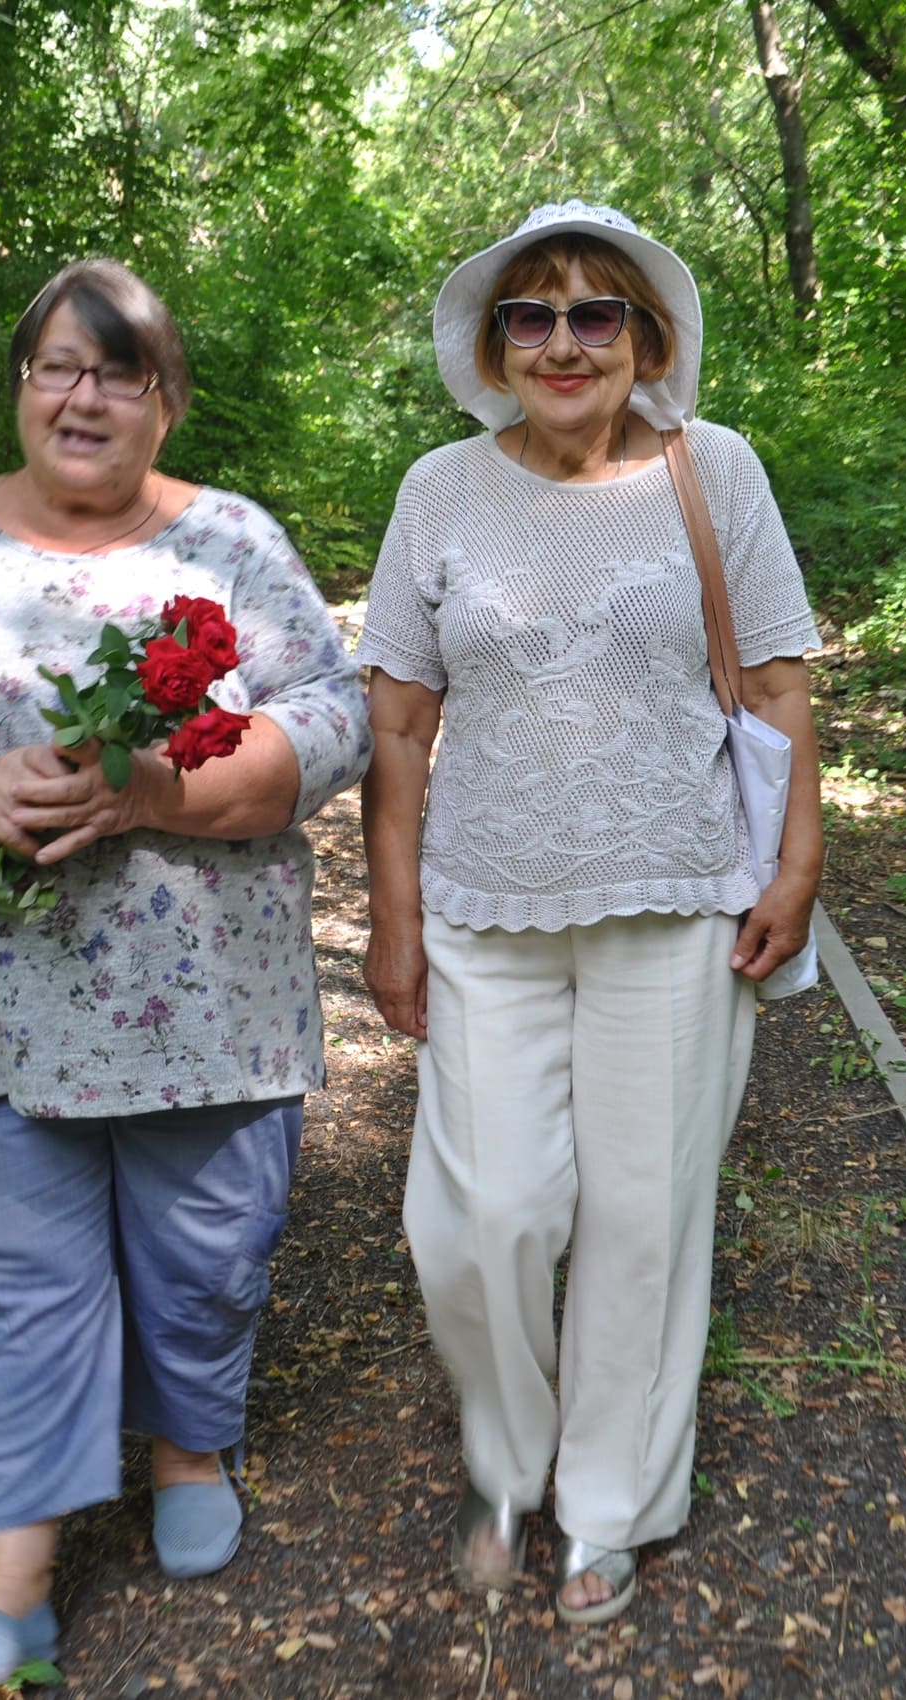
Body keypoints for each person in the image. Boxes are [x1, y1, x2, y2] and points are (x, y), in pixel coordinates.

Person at [0, 259, 370, 1690]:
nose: (81, 394)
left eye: (117, 371)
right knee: (14, 1287)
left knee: (205, 1261)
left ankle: (189, 1447)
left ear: (165, 402)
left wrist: (156, 795)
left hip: (207, 1017)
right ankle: (13, 1587)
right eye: (55, 365)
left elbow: (332, 719)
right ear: (23, 385)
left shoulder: (229, 541)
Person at [354, 202, 823, 1625]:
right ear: (493, 348)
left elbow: (782, 683)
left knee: (644, 1212)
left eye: (595, 313)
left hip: (674, 894)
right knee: (480, 1216)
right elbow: (395, 722)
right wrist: (388, 914)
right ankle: (509, 1462)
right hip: (485, 905)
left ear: (648, 337)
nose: (564, 342)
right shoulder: (439, 488)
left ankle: (608, 1506)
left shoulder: (714, 470)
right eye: (532, 316)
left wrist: (796, 863)